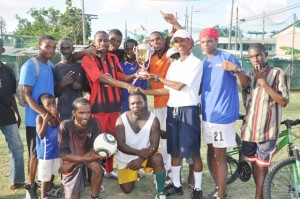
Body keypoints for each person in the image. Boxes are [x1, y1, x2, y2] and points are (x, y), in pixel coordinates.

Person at [143, 29, 204, 199]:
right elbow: (167, 89)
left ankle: (197, 189)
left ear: (190, 42)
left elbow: (178, 86)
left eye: (182, 41)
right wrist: (142, 91)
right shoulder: (175, 64)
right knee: (174, 151)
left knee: (193, 152)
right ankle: (176, 185)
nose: (179, 44)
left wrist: (156, 78)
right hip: (172, 110)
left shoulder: (196, 63)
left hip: (188, 111)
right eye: (176, 41)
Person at [199, 27, 248, 199]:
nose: (206, 44)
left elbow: (245, 84)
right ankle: (220, 188)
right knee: (213, 152)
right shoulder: (204, 62)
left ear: (216, 41)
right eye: (203, 42)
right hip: (207, 115)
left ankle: (221, 195)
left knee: (220, 155)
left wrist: (236, 70)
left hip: (223, 115)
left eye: (209, 41)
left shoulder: (227, 57)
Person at [81, 31, 137, 179]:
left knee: (111, 139)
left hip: (114, 107)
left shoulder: (113, 57)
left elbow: (121, 76)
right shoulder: (88, 59)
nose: (104, 43)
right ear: (94, 42)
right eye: (100, 40)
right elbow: (102, 79)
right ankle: (94, 173)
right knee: (97, 141)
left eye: (106, 41)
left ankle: (109, 170)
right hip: (98, 108)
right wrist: (126, 86)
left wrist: (136, 75)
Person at [241, 43, 289, 199]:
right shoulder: (249, 74)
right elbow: (247, 99)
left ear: (266, 54)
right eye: (251, 56)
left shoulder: (278, 73)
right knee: (255, 163)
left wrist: (264, 84)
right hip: (249, 129)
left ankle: (258, 196)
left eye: (258, 55)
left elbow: (283, 101)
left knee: (262, 166)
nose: (255, 59)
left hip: (267, 129)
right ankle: (262, 192)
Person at [19, 35, 56, 199]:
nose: (51, 50)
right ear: (39, 46)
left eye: (53, 47)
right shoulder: (30, 65)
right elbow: (26, 95)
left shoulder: (50, 65)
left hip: (50, 117)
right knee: (34, 153)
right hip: (36, 119)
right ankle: (31, 187)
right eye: (47, 46)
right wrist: (43, 114)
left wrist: (51, 113)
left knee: (48, 152)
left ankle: (46, 185)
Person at [115, 91, 166, 199]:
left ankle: (161, 193)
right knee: (127, 190)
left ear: (145, 103)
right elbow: (120, 145)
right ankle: (135, 173)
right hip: (127, 158)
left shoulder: (153, 120)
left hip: (146, 155)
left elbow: (154, 145)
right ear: (129, 105)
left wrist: (140, 159)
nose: (136, 106)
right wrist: (137, 153)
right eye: (132, 103)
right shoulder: (121, 119)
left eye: (139, 103)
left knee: (158, 158)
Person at [58, 97, 104, 199]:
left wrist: (76, 162)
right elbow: (64, 155)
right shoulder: (66, 125)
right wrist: (75, 162)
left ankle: (95, 196)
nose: (86, 116)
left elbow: (96, 150)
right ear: (73, 113)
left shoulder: (94, 123)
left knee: (97, 167)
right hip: (72, 163)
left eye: (88, 112)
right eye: (81, 113)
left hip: (87, 159)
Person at [0, 38, 25, 190]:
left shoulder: (7, 70)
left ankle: (17, 180)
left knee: (17, 147)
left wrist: (17, 113)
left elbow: (11, 95)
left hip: (7, 115)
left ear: (2, 50)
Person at [53, 38, 87, 121]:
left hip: (80, 110)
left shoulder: (81, 67)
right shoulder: (55, 69)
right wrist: (62, 84)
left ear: (72, 48)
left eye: (68, 48)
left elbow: (90, 88)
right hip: (63, 112)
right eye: (62, 48)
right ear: (58, 49)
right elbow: (53, 94)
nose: (65, 51)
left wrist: (81, 86)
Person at [36, 93, 61, 199]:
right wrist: (46, 120)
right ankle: (43, 196)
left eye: (53, 103)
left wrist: (57, 117)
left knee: (53, 172)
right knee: (44, 176)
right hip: (46, 153)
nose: (52, 107)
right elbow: (41, 135)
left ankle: (50, 190)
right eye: (48, 105)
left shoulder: (58, 115)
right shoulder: (40, 118)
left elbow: (63, 129)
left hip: (57, 151)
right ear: (42, 107)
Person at [120, 38, 148, 113]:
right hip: (125, 101)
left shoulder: (143, 62)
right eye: (127, 49)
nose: (129, 51)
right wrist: (135, 75)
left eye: (132, 49)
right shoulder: (120, 64)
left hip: (141, 100)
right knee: (127, 123)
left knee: (142, 123)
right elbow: (120, 79)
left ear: (137, 49)